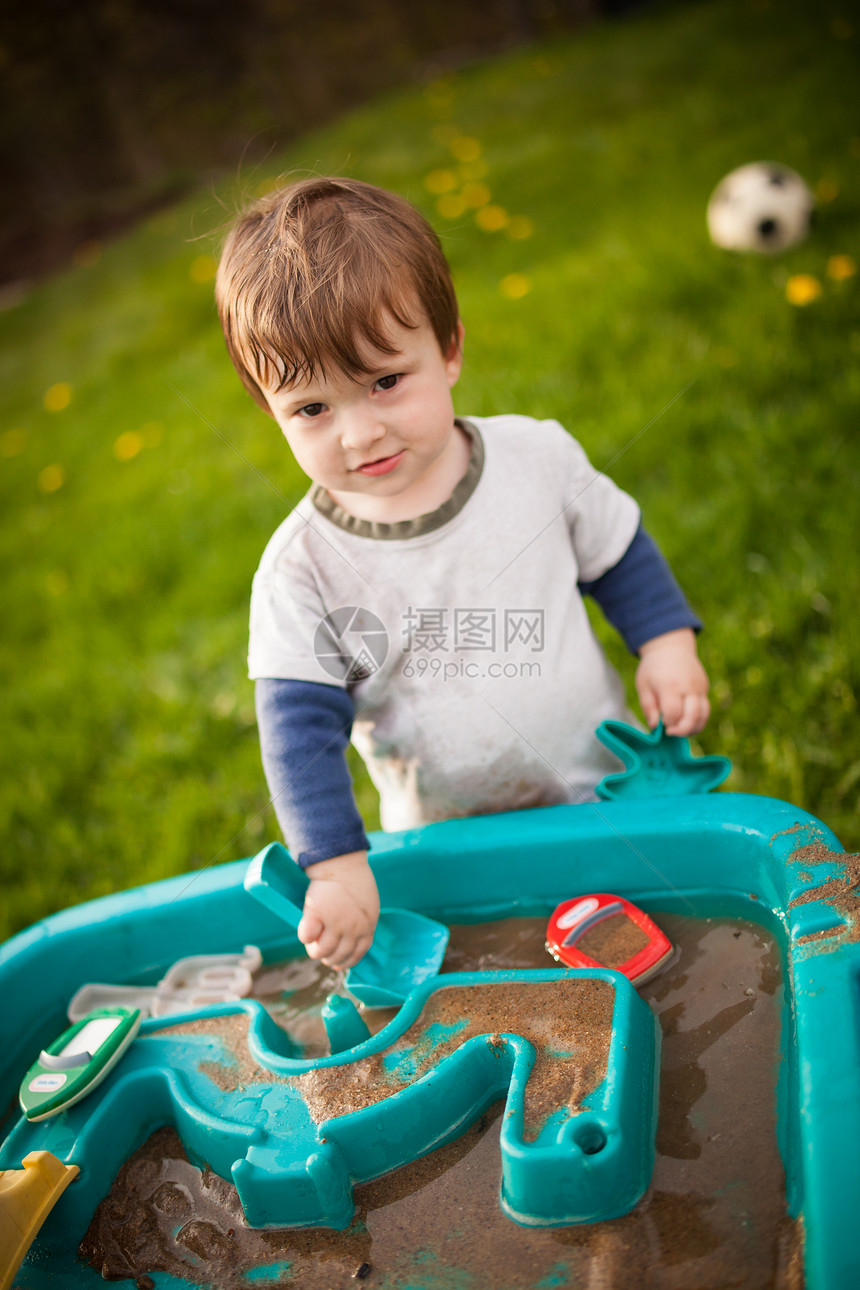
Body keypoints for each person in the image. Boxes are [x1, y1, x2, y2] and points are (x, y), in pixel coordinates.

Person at [215, 176, 710, 973]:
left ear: (448, 351)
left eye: (385, 382)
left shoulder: (536, 459)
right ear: (270, 411)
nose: (358, 431)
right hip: (444, 837)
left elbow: (615, 551)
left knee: (657, 956)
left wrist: (665, 641)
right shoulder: (301, 570)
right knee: (503, 978)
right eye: (312, 410)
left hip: (596, 789)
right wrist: (336, 866)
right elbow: (297, 728)